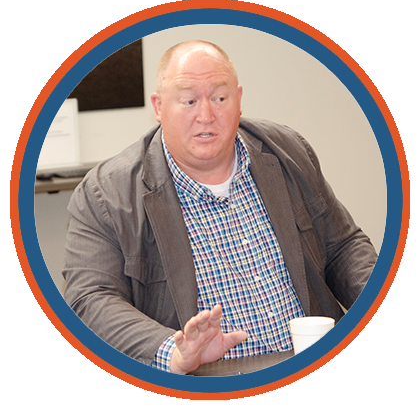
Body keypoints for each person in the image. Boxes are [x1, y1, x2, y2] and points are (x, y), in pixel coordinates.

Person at [62, 40, 377, 375]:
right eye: (189, 101)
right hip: (204, 385)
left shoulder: (286, 151)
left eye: (219, 98)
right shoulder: (105, 194)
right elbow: (90, 297)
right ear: (159, 107)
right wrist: (174, 351)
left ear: (238, 100)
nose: (206, 116)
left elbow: (343, 246)